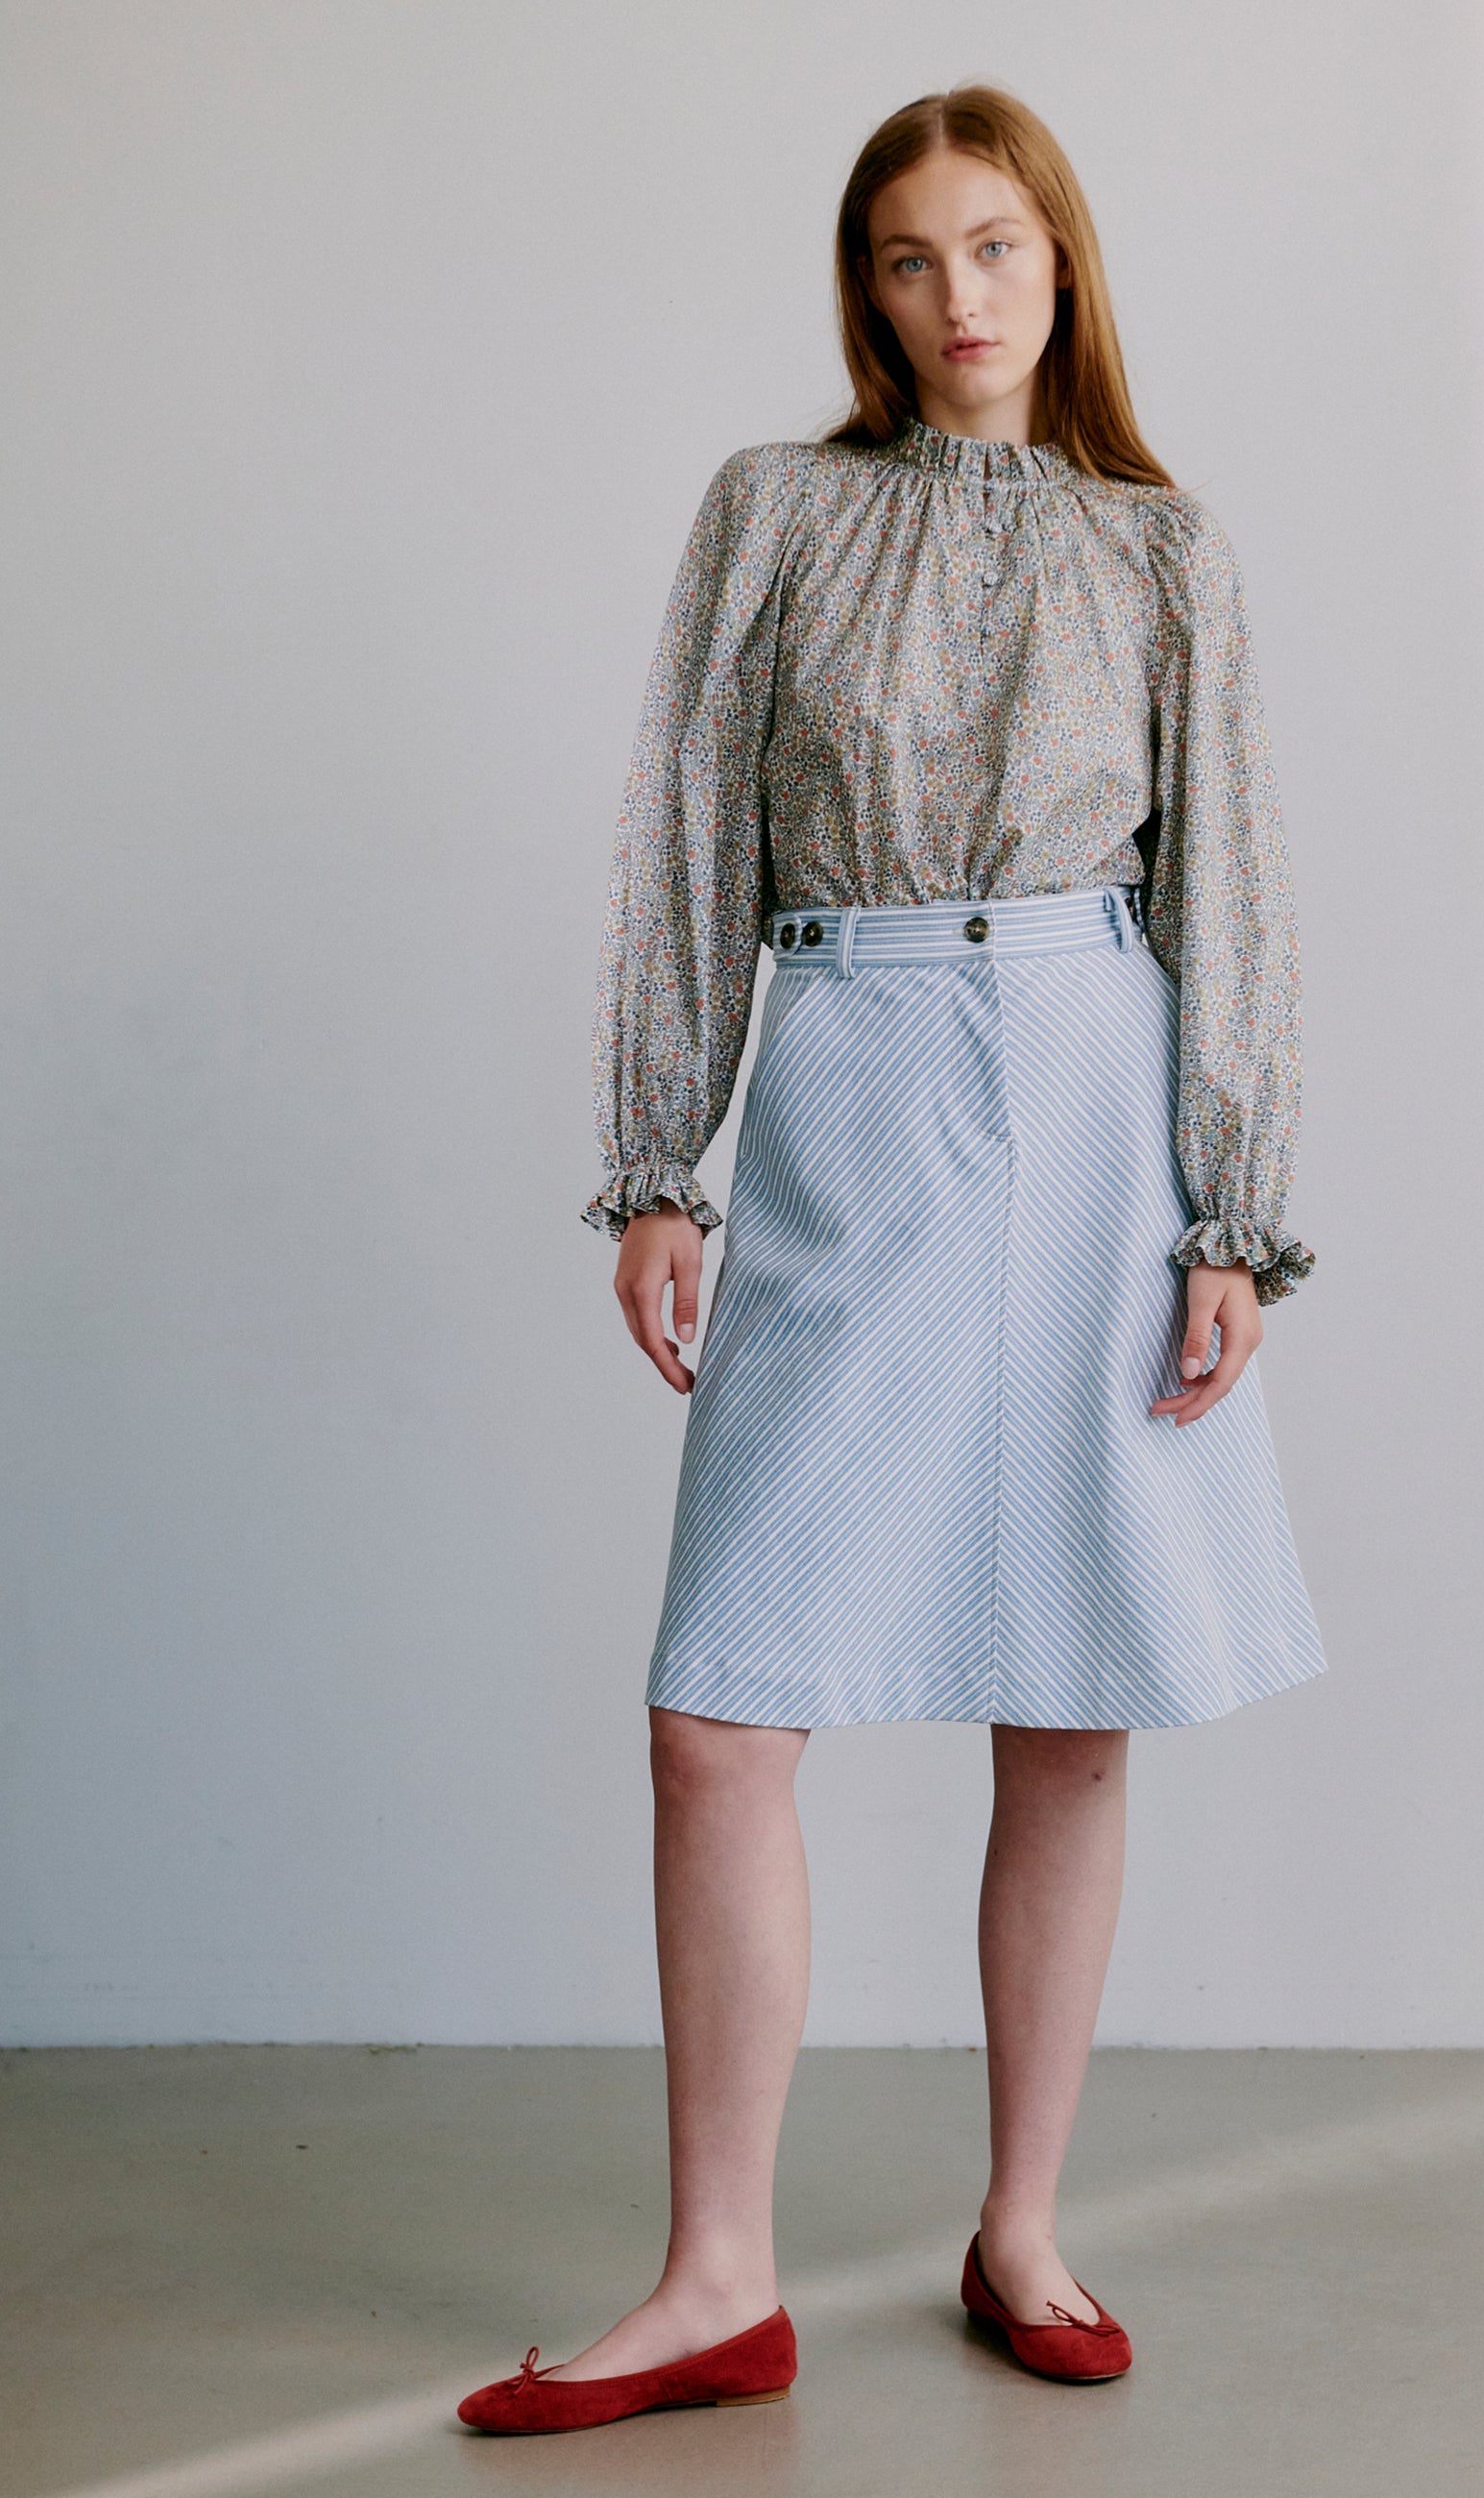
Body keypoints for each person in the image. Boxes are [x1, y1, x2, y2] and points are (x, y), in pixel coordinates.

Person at [458, 82, 1326, 2437]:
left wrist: (1230, 1210)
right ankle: (712, 2273)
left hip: (1086, 1093)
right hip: (844, 1077)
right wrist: (662, 1158)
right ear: (867, 287)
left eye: (998, 249)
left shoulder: (1162, 550)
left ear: (1065, 262)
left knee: (1065, 1693)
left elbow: (1226, 877)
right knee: (719, 1711)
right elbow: (682, 828)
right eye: (912, 257)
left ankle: (1019, 2223)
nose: (960, 298)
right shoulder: (774, 513)